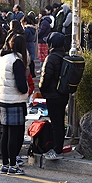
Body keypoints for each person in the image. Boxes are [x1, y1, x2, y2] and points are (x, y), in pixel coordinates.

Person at [0, 34, 29, 175]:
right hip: (15, 100)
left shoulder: (2, 58)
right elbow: (22, 86)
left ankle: (5, 164)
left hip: (2, 99)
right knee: (15, 134)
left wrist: (2, 86)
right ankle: (13, 165)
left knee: (5, 132)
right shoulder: (17, 60)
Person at [39, 32, 69, 161]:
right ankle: (58, 147)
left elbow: (46, 77)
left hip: (53, 95)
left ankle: (57, 150)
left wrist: (42, 89)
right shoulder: (65, 56)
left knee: (56, 124)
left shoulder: (51, 58)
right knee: (60, 122)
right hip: (63, 94)